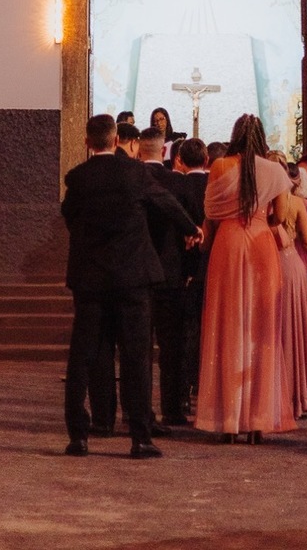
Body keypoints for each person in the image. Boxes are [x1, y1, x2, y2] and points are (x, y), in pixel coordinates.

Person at [61, 113, 198, 460]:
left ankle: (80, 435)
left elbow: (69, 216)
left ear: (88, 143)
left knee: (85, 356)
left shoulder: (78, 177)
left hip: (91, 279)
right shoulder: (135, 173)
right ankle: (140, 438)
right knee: (136, 357)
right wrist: (191, 229)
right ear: (116, 140)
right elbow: (165, 202)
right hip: (132, 277)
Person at [196, 113, 296, 442]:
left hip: (227, 244)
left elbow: (210, 212)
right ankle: (257, 420)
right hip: (261, 244)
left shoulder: (220, 166)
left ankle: (227, 419)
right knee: (261, 328)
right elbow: (281, 215)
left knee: (226, 325)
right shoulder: (274, 170)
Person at [138, 126, 187, 430]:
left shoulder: (131, 180)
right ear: (164, 150)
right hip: (171, 272)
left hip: (139, 272)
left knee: (139, 347)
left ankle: (137, 411)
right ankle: (173, 409)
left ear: (138, 148)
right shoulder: (176, 182)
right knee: (172, 347)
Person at [272, 162, 307, 417]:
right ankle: (296, 393)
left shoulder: (260, 205)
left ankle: (274, 394)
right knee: (292, 327)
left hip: (268, 265)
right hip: (290, 264)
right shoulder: (296, 203)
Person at [170, 136, 211, 423]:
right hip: (211, 263)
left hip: (185, 265)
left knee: (186, 331)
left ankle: (183, 393)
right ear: (206, 160)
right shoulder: (213, 185)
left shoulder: (178, 186)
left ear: (180, 161)